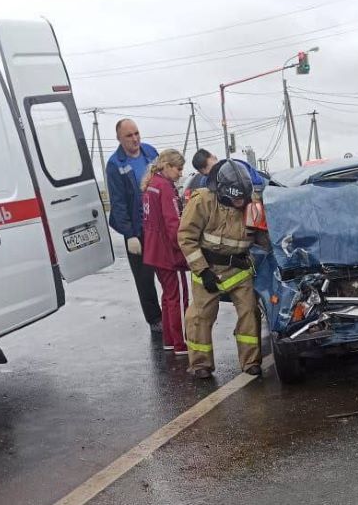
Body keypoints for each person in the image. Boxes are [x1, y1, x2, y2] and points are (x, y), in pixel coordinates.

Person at [178, 159, 266, 379]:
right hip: (209, 269)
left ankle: (251, 361)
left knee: (250, 313)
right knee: (200, 316)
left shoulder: (252, 204)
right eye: (236, 198)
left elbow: (263, 239)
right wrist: (203, 271)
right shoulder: (203, 201)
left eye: (242, 198)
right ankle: (201, 364)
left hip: (240, 269)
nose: (239, 203)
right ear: (223, 191)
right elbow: (186, 238)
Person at [106, 118, 162, 333]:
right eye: (129, 135)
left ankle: (172, 310)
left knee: (167, 271)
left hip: (158, 225)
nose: (135, 139)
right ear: (119, 138)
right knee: (144, 278)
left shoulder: (150, 152)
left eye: (136, 133)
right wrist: (129, 234)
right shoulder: (116, 164)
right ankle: (155, 319)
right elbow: (118, 202)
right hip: (137, 230)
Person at [141, 149, 189, 354]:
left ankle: (169, 340)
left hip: (154, 251)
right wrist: (184, 248)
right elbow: (173, 224)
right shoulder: (165, 188)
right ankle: (181, 342)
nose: (180, 173)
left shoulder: (151, 184)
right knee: (179, 298)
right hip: (168, 253)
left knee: (168, 297)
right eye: (178, 168)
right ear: (167, 166)